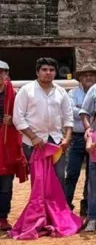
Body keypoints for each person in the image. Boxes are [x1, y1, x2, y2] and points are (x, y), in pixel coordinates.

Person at [13, 57, 73, 189]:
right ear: (37, 72)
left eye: (51, 70)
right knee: (39, 180)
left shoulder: (61, 91)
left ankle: (57, 209)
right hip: (32, 143)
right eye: (44, 69)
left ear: (55, 73)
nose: (48, 72)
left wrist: (67, 138)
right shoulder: (26, 90)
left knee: (59, 178)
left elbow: (68, 117)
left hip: (56, 141)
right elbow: (18, 118)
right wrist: (33, 137)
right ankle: (40, 208)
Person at [65, 64, 96, 216]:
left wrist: (81, 110)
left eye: (91, 75)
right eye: (85, 75)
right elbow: (70, 110)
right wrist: (89, 112)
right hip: (77, 137)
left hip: (95, 137)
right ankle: (66, 204)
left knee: (92, 174)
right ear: (80, 78)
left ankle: (87, 205)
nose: (88, 77)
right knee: (72, 173)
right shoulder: (73, 93)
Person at [0, 60, 26, 232]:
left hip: (5, 144)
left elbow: (23, 115)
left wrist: (13, 120)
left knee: (5, 185)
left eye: (2, 72)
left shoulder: (14, 94)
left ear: (7, 75)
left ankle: (2, 218)